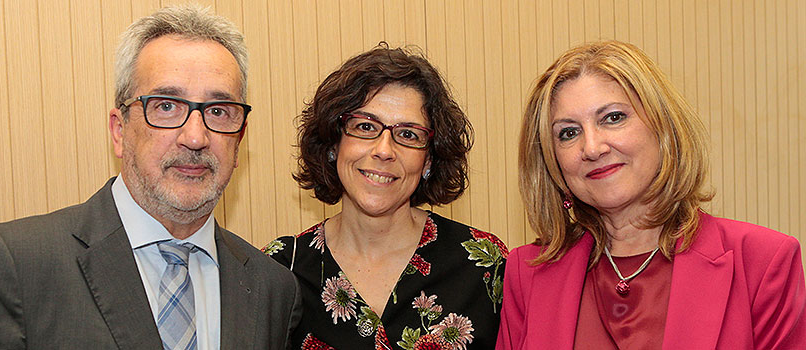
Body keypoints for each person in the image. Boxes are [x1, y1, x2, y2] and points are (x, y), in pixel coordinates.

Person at [0, 5, 300, 349]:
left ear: (240, 137)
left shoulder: (272, 287)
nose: (195, 137)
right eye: (167, 106)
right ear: (119, 130)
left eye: (219, 111)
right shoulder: (12, 263)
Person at [496, 40, 806, 349]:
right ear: (552, 163)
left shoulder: (763, 262)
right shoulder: (526, 273)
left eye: (613, 118)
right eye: (568, 133)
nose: (591, 148)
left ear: (664, 129)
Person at [262, 44, 507, 349]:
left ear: (428, 160)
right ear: (333, 143)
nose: (384, 150)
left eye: (408, 134)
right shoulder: (279, 271)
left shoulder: (485, 266)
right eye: (365, 127)